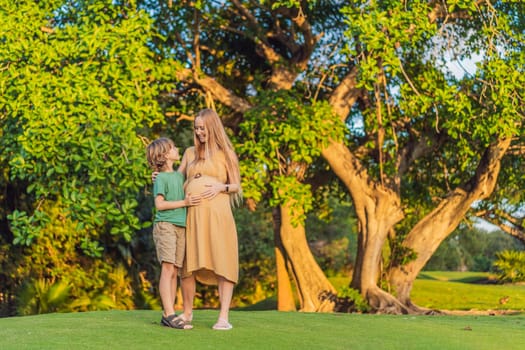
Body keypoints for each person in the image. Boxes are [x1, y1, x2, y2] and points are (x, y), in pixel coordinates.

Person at [176, 108, 242, 331]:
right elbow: (177, 178)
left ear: (212, 127)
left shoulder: (226, 154)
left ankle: (223, 317)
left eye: (202, 127)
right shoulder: (189, 153)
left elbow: (236, 186)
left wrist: (219, 186)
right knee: (187, 264)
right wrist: (161, 174)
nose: (199, 131)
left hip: (218, 215)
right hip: (192, 215)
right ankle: (187, 313)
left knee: (223, 261)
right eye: (196, 128)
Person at [146, 137, 200, 330]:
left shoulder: (178, 175)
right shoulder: (160, 178)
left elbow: (192, 156)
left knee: (175, 270)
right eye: (173, 148)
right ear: (164, 155)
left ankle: (168, 314)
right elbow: (159, 205)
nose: (177, 149)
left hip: (180, 227)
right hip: (165, 226)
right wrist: (184, 203)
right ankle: (169, 313)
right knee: (167, 269)